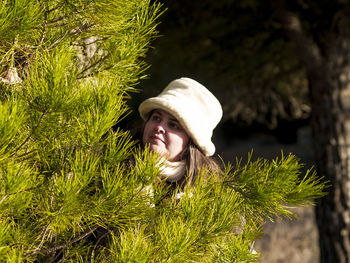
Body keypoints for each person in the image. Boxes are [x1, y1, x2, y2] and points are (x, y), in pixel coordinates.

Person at [138, 77, 223, 190]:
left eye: (173, 125)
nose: (159, 127)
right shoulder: (112, 165)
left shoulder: (208, 196)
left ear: (192, 142)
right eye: (156, 118)